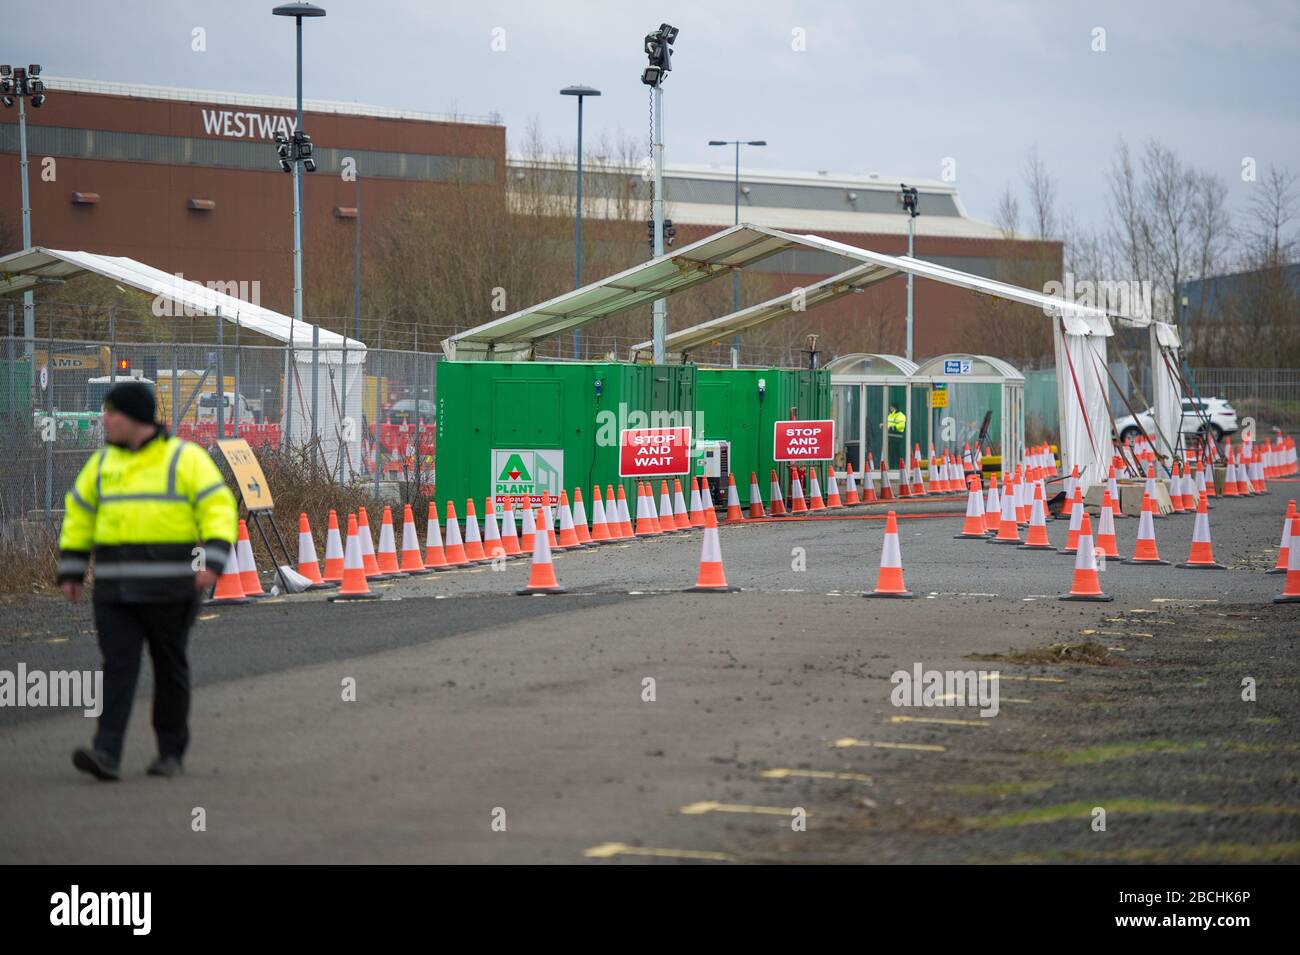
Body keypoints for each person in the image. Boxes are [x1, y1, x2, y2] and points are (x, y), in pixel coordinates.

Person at [57, 381, 238, 781]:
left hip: (170, 590)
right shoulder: (102, 464)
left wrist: (214, 559)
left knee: (169, 667)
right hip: (114, 592)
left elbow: (218, 506)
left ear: (134, 418)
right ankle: (106, 752)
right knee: (118, 668)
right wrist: (71, 568)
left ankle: (170, 752)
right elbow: (79, 515)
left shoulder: (183, 459)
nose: (104, 419)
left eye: (111, 412)